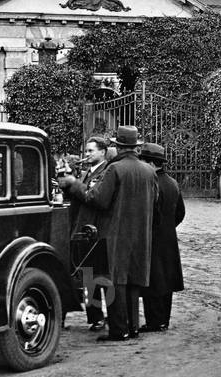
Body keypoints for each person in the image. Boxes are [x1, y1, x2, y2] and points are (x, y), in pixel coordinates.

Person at [59, 125, 158, 341]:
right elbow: (155, 201)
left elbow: (98, 199)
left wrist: (75, 184)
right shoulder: (149, 171)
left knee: (116, 281)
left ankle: (118, 330)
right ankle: (132, 328)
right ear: (135, 146)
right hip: (141, 235)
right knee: (133, 280)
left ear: (118, 147)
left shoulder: (115, 169)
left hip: (116, 234)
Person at [139, 143, 185, 331]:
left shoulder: (151, 183)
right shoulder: (173, 182)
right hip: (169, 237)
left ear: (151, 163)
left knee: (154, 280)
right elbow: (180, 213)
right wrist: (169, 226)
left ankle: (154, 321)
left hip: (153, 237)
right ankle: (164, 319)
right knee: (167, 278)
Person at [69, 135, 111, 332]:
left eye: (91, 151)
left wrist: (75, 184)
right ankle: (94, 316)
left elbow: (94, 198)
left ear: (102, 152)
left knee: (101, 276)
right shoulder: (87, 173)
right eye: (86, 151)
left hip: (97, 232)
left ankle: (106, 315)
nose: (87, 155)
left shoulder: (106, 172)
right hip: (84, 231)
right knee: (87, 277)